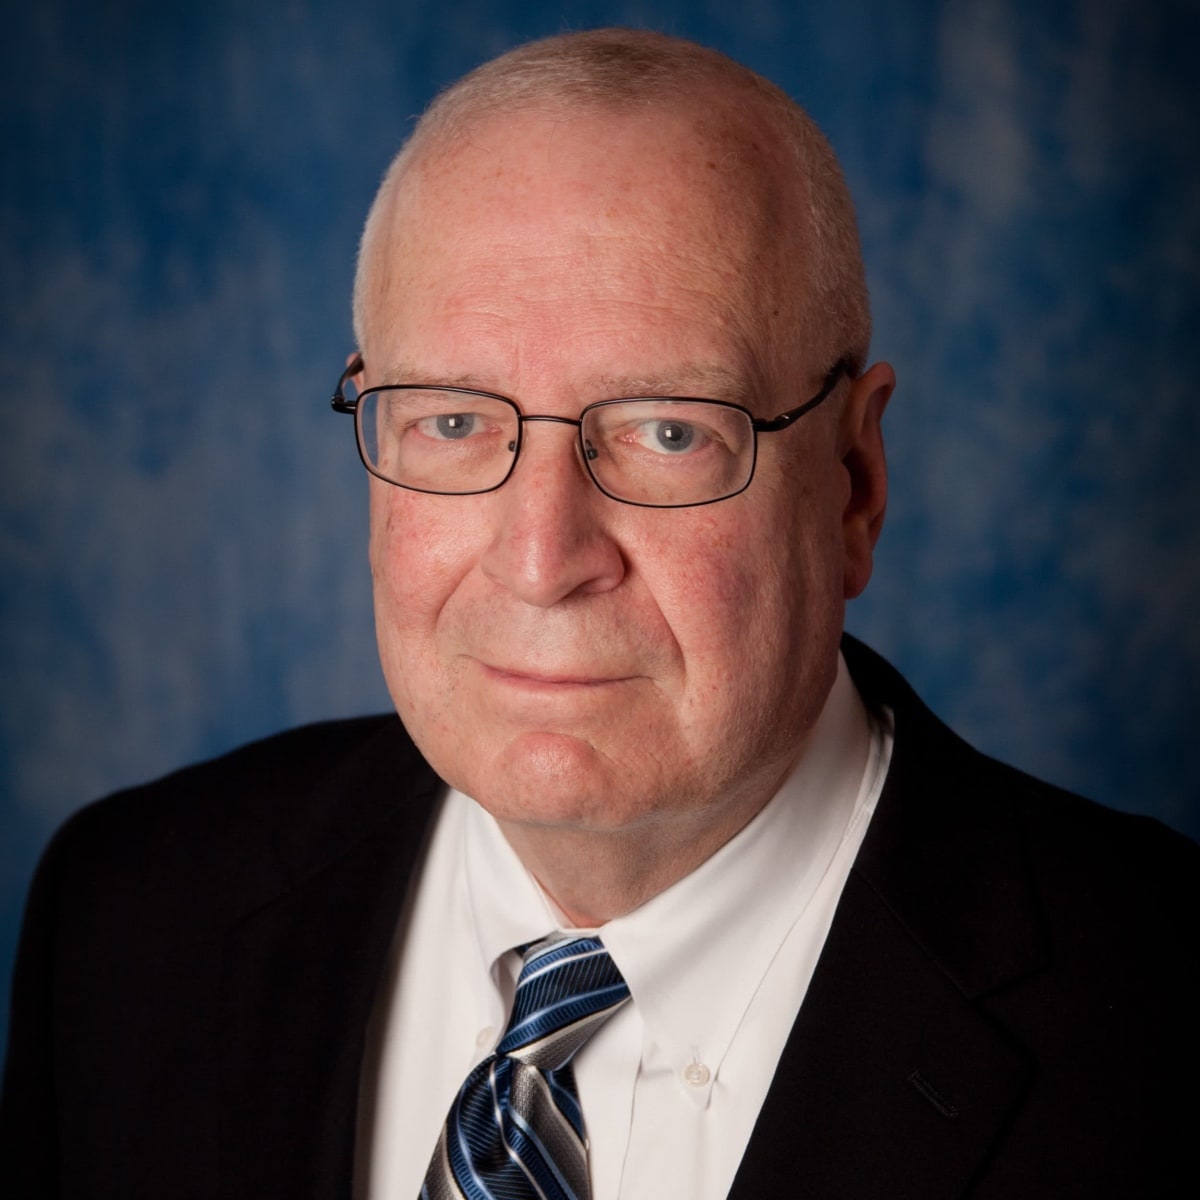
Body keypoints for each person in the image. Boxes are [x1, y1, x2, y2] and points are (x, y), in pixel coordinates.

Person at [2, 27, 1197, 1200]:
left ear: (853, 484)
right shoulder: (127, 916)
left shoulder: (1156, 1026)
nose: (541, 558)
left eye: (669, 431)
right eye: (455, 420)